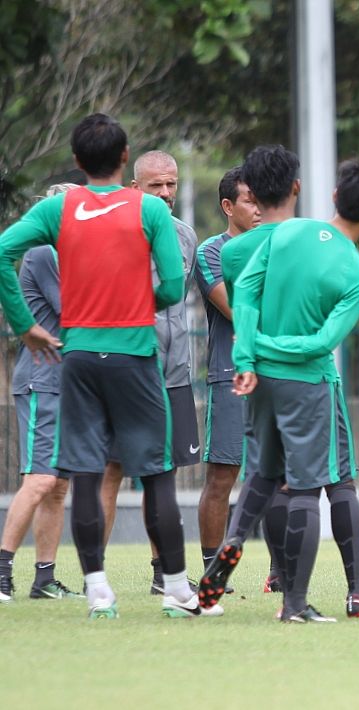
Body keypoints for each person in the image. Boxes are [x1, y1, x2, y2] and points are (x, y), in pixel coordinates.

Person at [0, 113, 202, 619]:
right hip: (134, 354)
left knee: (86, 473)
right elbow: (175, 289)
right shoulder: (149, 211)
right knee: (156, 473)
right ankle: (176, 588)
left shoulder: (60, 207)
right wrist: (141, 301)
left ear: (76, 161)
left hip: (80, 358)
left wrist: (25, 325)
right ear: (125, 157)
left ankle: (98, 590)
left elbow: (3, 251)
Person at [198, 146, 359, 620]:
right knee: (314, 486)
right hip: (308, 382)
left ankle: (235, 540)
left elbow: (242, 281)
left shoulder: (287, 233)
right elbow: (323, 341)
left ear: (334, 195)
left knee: (264, 473)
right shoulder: (358, 275)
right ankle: (297, 603)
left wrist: (249, 352)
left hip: (258, 379)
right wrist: (274, 344)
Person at [98, 150, 204, 594]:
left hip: (175, 373)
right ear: (134, 187)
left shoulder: (185, 235)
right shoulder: (118, 231)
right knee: (112, 469)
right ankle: (94, 572)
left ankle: (165, 573)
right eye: (154, 185)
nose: (164, 194)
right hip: (127, 367)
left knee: (165, 472)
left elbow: (182, 302)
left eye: (171, 185)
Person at [192, 167, 277, 592]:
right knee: (222, 477)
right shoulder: (211, 252)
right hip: (229, 375)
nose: (258, 208)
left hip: (280, 376)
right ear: (228, 206)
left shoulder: (280, 245)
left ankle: (280, 573)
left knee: (283, 476)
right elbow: (234, 309)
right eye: (249, 200)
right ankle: (213, 571)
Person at [0, 184, 83, 604]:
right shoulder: (45, 252)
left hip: (65, 381)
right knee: (40, 479)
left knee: (58, 486)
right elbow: (73, 309)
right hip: (41, 378)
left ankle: (44, 578)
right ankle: (1, 571)